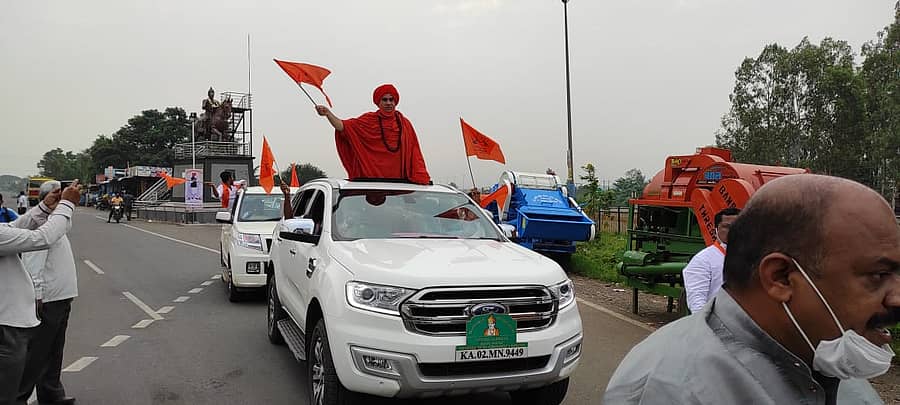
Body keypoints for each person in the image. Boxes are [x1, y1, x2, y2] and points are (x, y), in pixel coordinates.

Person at [604, 174, 899, 404]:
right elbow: (696, 298)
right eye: (879, 275)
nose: (896, 296)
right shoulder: (676, 390)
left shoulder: (824, 351)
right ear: (780, 278)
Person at [0, 181, 79, 405]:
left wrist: (45, 209)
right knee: (12, 386)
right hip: (7, 324)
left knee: (48, 353)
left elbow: (15, 228)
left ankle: (48, 392)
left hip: (13, 319)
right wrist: (66, 205)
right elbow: (40, 239)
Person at [315, 84, 431, 185]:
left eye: (391, 100)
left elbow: (414, 151)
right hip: (371, 182)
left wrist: (419, 174)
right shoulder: (368, 120)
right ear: (378, 102)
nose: (388, 103)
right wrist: (328, 113)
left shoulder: (404, 124)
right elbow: (343, 127)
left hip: (399, 183)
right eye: (384, 100)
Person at [682, 207, 740, 313]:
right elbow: (697, 303)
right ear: (716, 230)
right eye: (726, 227)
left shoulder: (750, 258)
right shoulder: (703, 260)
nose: (733, 231)